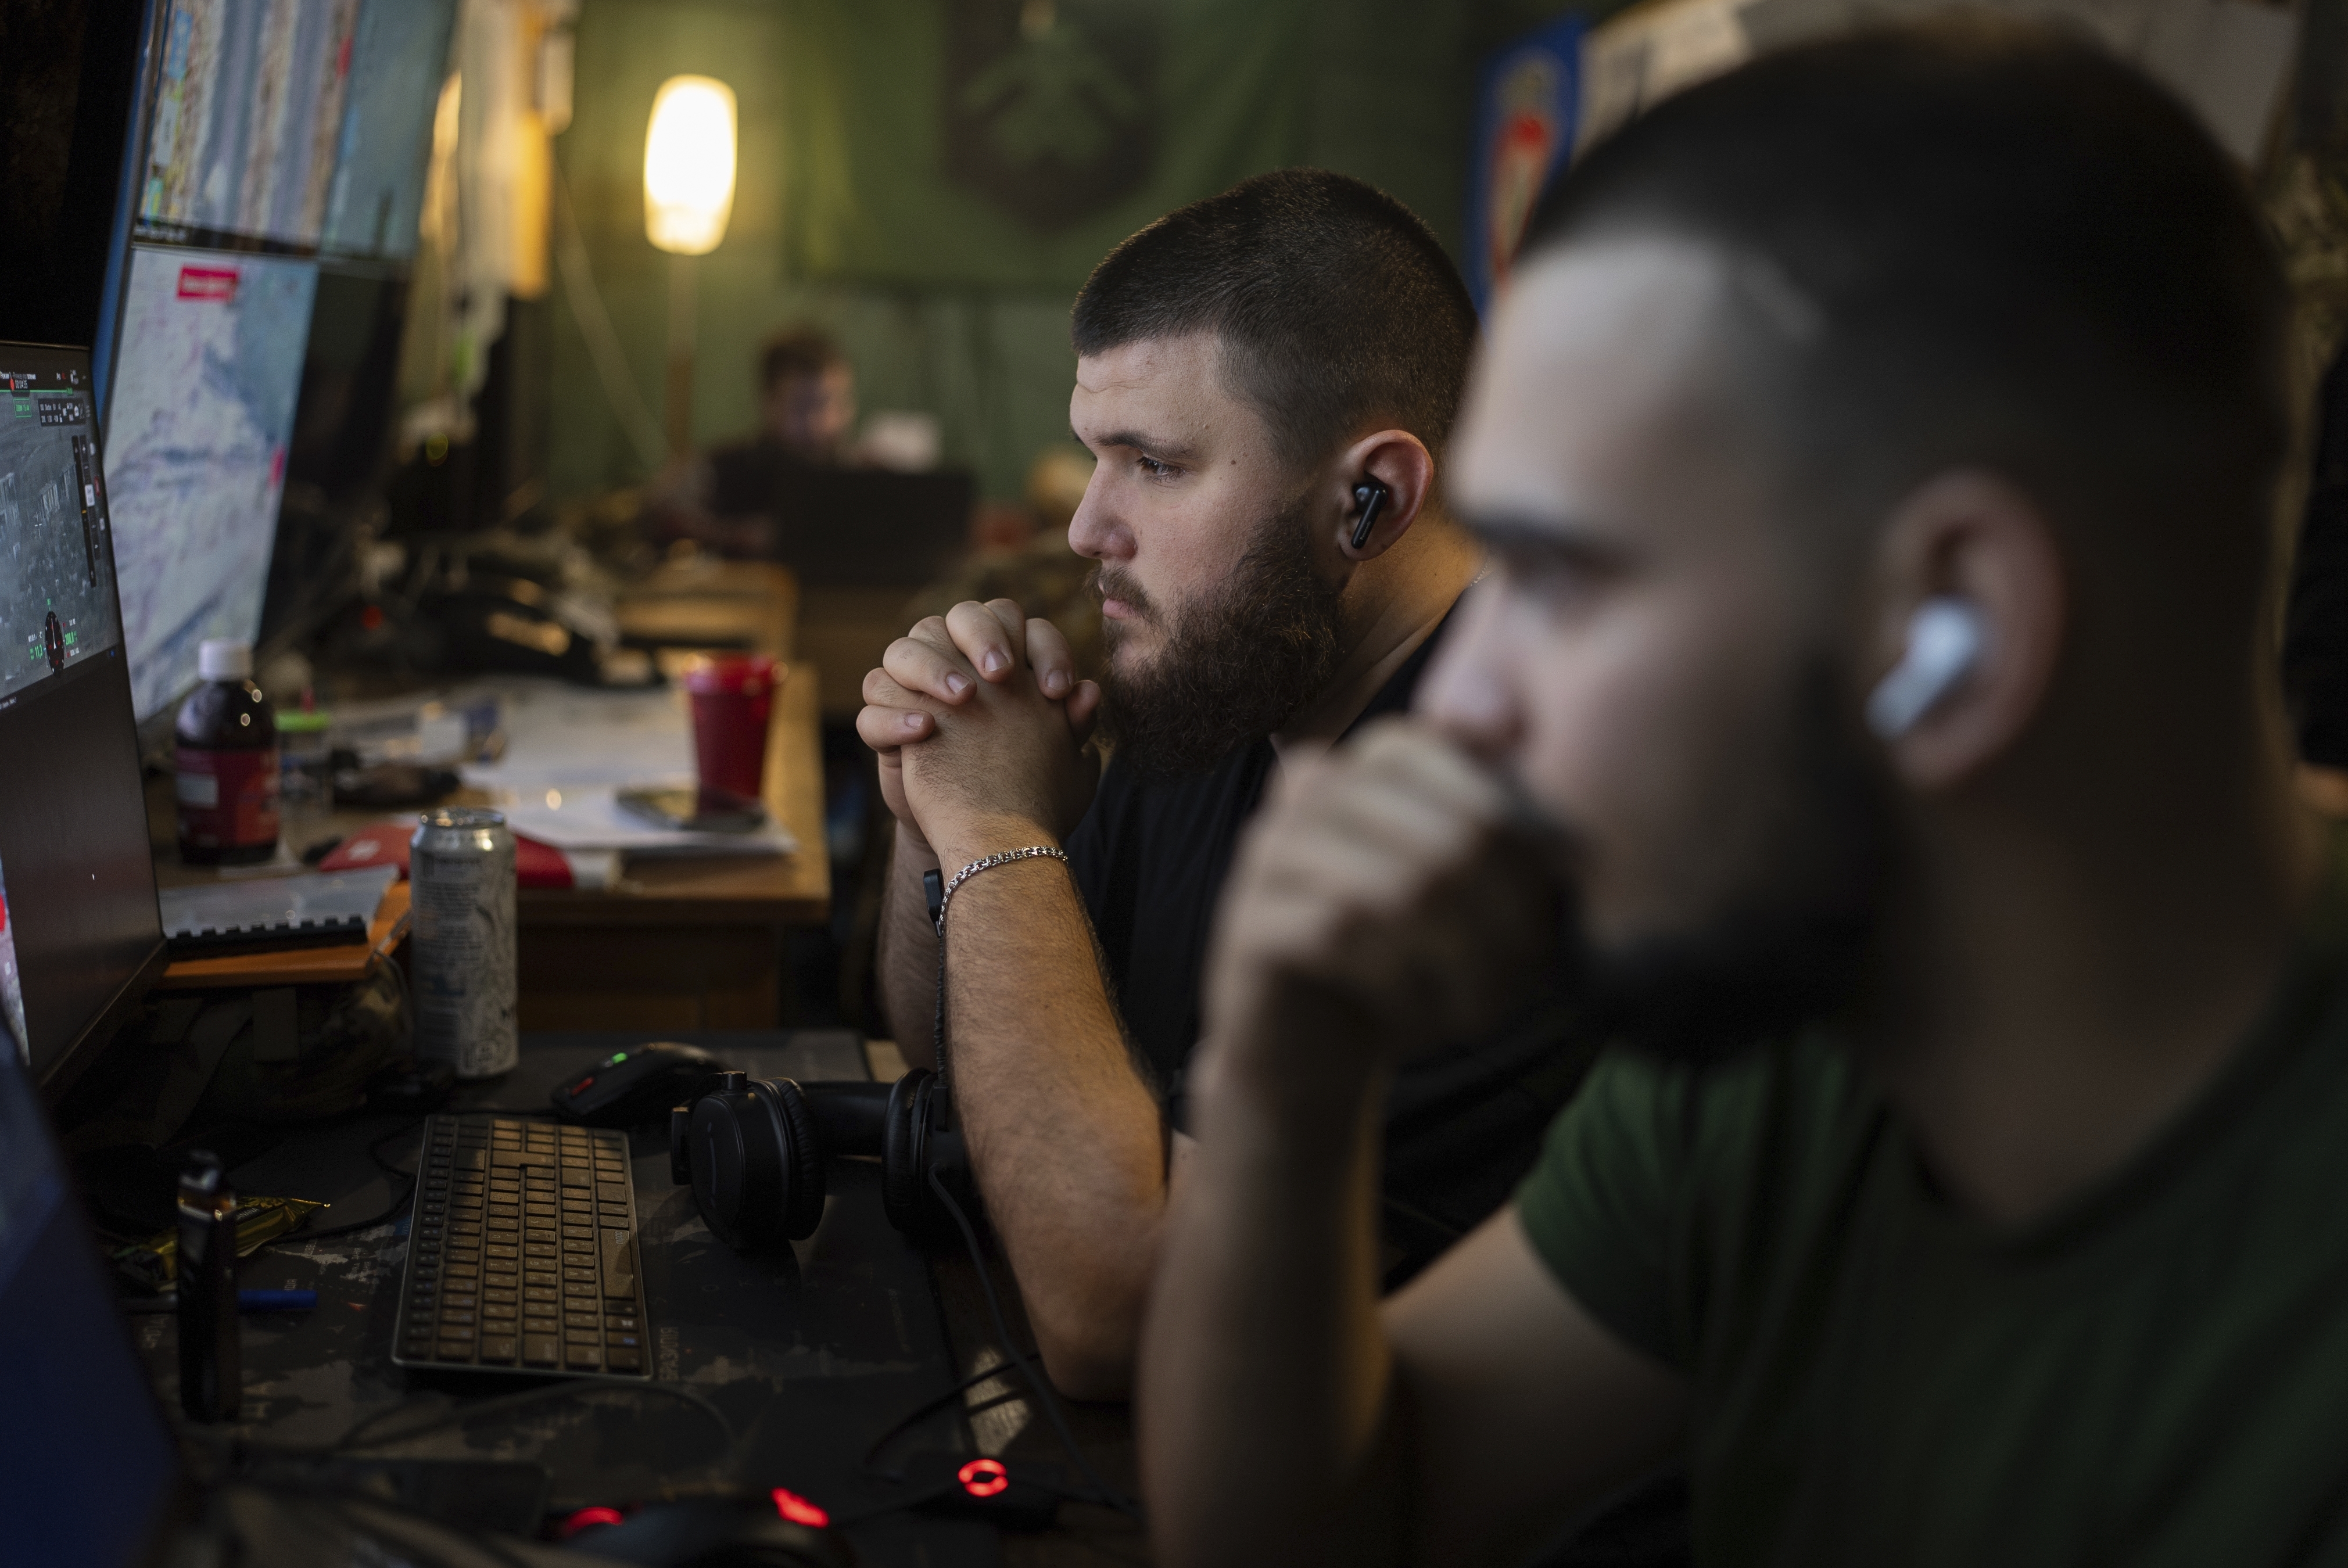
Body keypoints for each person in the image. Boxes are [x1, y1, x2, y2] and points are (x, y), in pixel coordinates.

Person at [1138, 21, 2348, 1567]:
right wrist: (1285, 1098)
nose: (1468, 697)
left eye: (1562, 576)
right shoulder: (1802, 1019)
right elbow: (1315, 1533)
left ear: (1950, 633)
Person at [856, 170, 1592, 1398]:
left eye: (1151, 463)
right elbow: (957, 1047)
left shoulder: (1500, 838)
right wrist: (933, 806)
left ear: (1372, 499)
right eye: (1096, 455)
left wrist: (993, 827)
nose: (1090, 524)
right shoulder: (1222, 692)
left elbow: (1123, 1310)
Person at [645, 326, 859, 557]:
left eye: (832, 403)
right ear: (768, 402)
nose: (820, 424)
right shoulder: (724, 468)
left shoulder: (858, 474)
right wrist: (735, 536)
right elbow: (658, 514)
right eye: (802, 406)